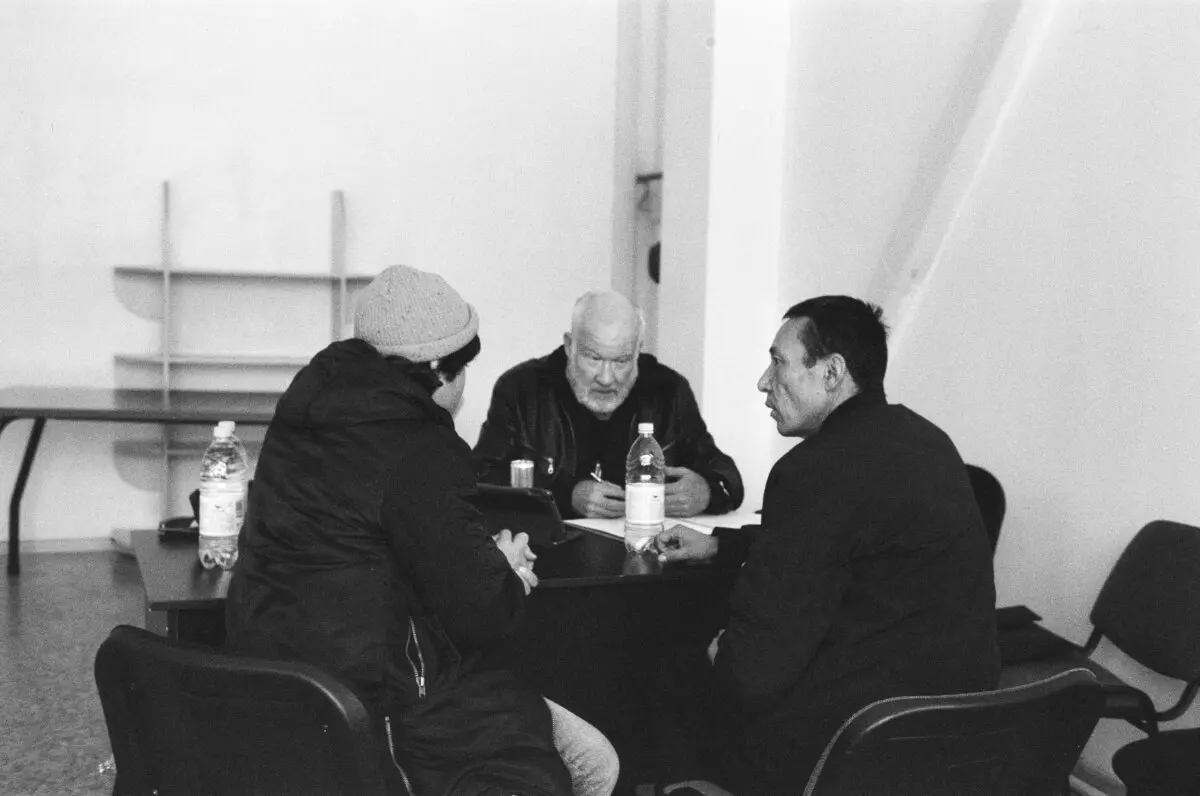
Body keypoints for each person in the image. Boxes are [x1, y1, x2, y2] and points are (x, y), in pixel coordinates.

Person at [225, 265, 619, 796]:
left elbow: (367, 555)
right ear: (439, 369)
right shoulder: (420, 448)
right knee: (593, 761)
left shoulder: (303, 413)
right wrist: (501, 569)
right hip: (378, 709)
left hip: (273, 687)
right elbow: (483, 615)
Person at [651, 296, 1000, 795]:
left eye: (778, 362)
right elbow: (847, 540)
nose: (763, 381)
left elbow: (752, 674)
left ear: (832, 372)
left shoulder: (810, 470)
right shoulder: (930, 442)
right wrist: (722, 546)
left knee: (673, 671)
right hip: (954, 732)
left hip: (853, 748)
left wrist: (722, 649)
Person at [473, 290, 744, 520]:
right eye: (593, 358)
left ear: (638, 351)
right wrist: (565, 495)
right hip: (549, 559)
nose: (606, 378)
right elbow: (481, 479)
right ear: (569, 346)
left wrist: (706, 491)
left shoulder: (668, 391)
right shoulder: (523, 390)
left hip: (647, 554)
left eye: (621, 361)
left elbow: (725, 473)